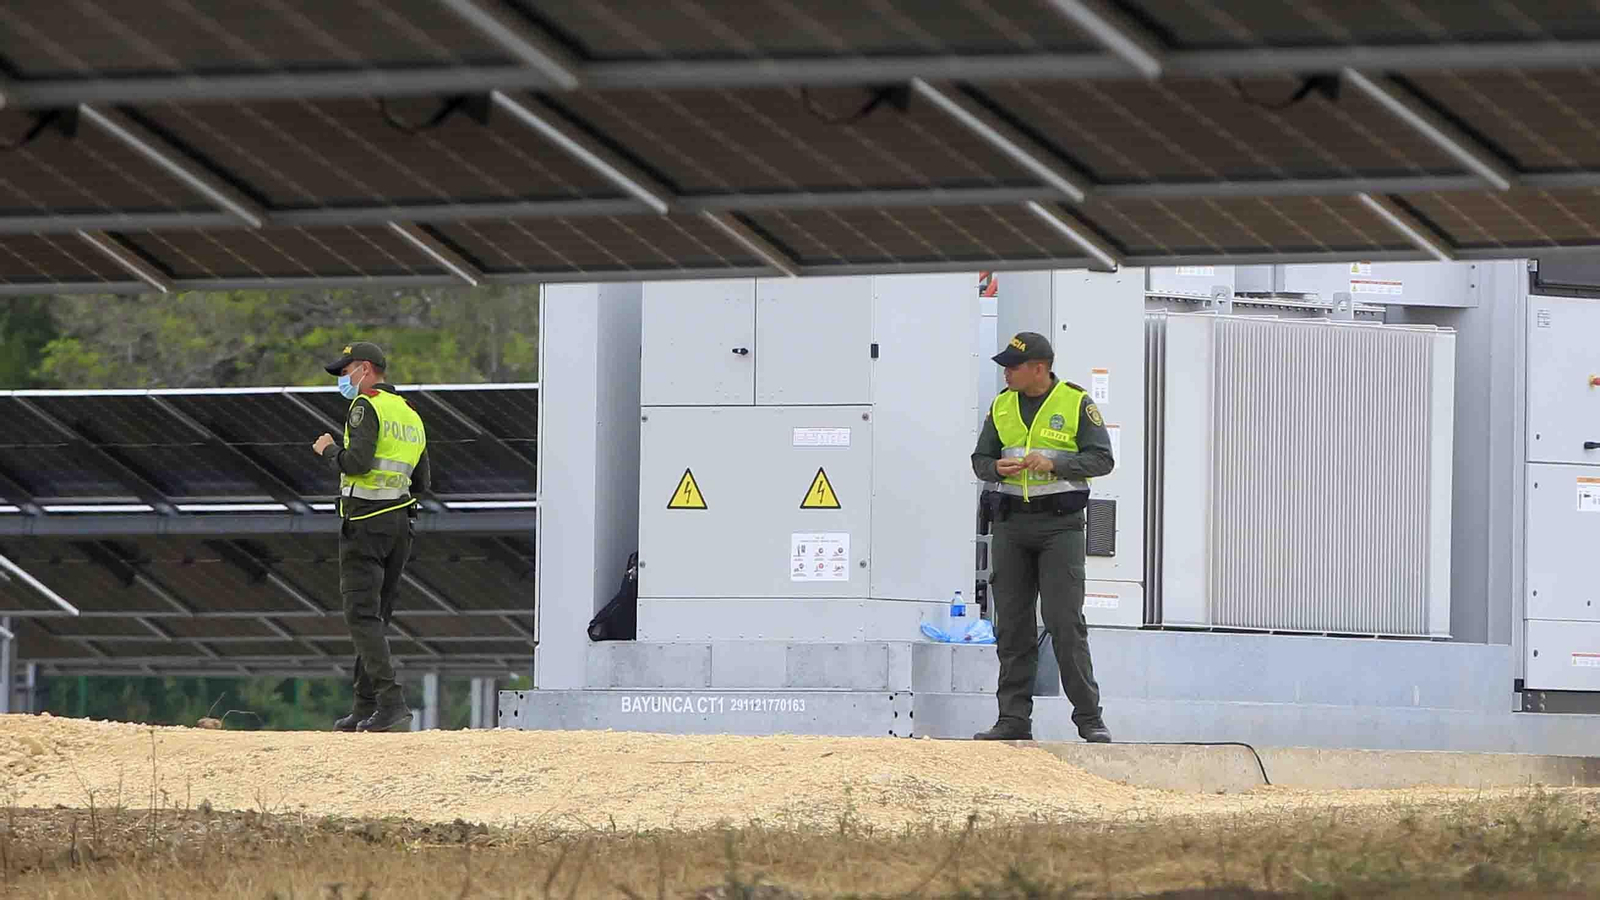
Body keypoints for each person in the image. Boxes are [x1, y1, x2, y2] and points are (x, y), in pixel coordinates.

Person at [971, 331, 1114, 743]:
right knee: (1012, 626)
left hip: (1059, 528)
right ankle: (1013, 719)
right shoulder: (1001, 405)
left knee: (1064, 624)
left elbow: (1102, 458)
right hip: (1011, 526)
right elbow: (980, 459)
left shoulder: (1075, 401)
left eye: (1013, 367)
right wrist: (996, 469)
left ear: (1039, 367)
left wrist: (1055, 462)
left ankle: (1089, 718)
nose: (1006, 374)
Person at [312, 341, 432, 733]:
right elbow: (423, 481)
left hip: (365, 522)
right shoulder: (409, 413)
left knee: (361, 615)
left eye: (345, 372)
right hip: (399, 525)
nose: (343, 380)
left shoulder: (366, 406)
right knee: (376, 618)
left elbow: (357, 463)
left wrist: (330, 451)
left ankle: (391, 702)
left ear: (365, 369)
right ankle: (365, 707)